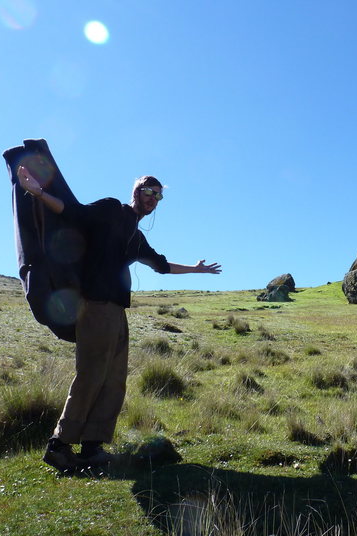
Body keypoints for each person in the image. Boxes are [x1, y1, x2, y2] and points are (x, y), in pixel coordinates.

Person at [16, 167, 221, 472]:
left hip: (116, 311)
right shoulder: (112, 209)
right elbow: (73, 213)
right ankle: (59, 445)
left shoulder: (135, 237)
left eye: (158, 195)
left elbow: (161, 266)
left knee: (114, 379)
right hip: (95, 306)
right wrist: (39, 192)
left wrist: (196, 269)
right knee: (91, 374)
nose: (153, 199)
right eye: (149, 191)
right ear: (136, 191)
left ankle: (92, 446)